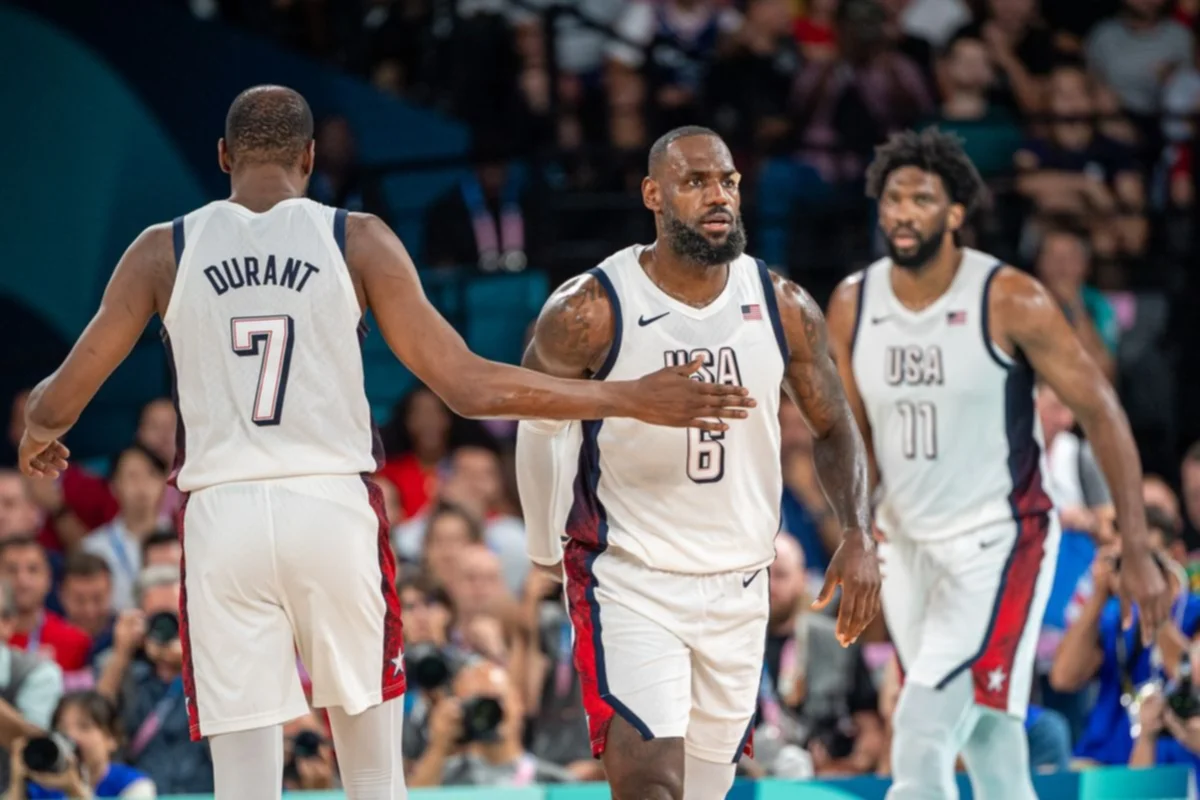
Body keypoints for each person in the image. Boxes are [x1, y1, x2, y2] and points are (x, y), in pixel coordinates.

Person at [14, 86, 753, 800]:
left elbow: (61, 397)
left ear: (221, 157)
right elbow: (467, 386)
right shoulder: (354, 235)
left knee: (242, 787)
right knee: (372, 778)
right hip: (330, 507)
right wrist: (625, 396)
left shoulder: (162, 248)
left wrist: (42, 430)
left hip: (219, 519)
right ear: (310, 158)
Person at [515, 125, 881, 800]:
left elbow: (834, 427)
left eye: (728, 181)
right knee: (650, 783)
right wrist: (543, 541)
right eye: (696, 182)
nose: (718, 196)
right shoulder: (592, 307)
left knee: (706, 790)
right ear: (653, 194)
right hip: (629, 576)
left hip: (741, 583)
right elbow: (535, 412)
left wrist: (858, 530)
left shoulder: (782, 305)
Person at [824, 127, 1171, 800]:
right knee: (986, 731)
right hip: (905, 543)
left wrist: (1134, 543)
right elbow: (851, 434)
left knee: (920, 729)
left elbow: (1102, 413)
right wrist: (855, 530)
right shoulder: (852, 302)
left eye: (922, 198)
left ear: (956, 213)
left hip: (997, 542)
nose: (902, 212)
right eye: (893, 198)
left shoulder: (1008, 297)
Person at [10, 691, 156, 798]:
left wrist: (75, 791)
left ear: (112, 738)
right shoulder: (43, 785)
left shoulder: (134, 785)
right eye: (62, 729)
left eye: (84, 727)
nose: (71, 736)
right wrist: (18, 783)